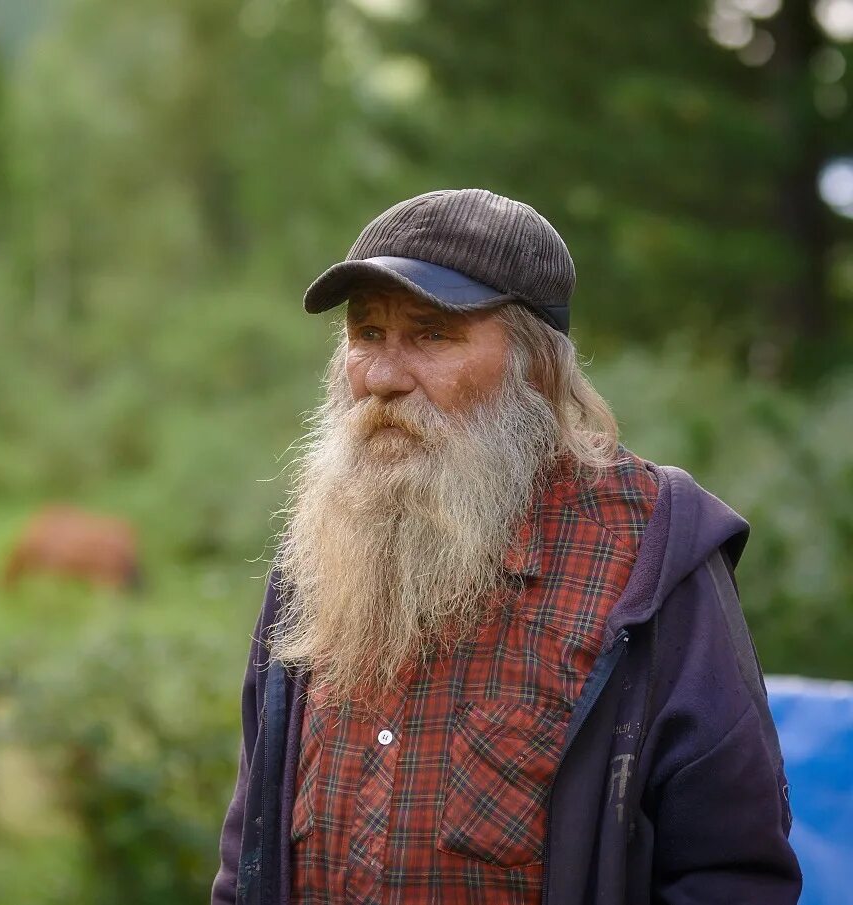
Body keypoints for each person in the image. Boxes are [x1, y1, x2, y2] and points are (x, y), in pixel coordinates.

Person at [211, 189, 801, 905]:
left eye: (432, 335)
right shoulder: (325, 545)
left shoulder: (651, 560)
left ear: (538, 368)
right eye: (366, 334)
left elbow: (731, 875)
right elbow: (249, 857)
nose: (383, 376)